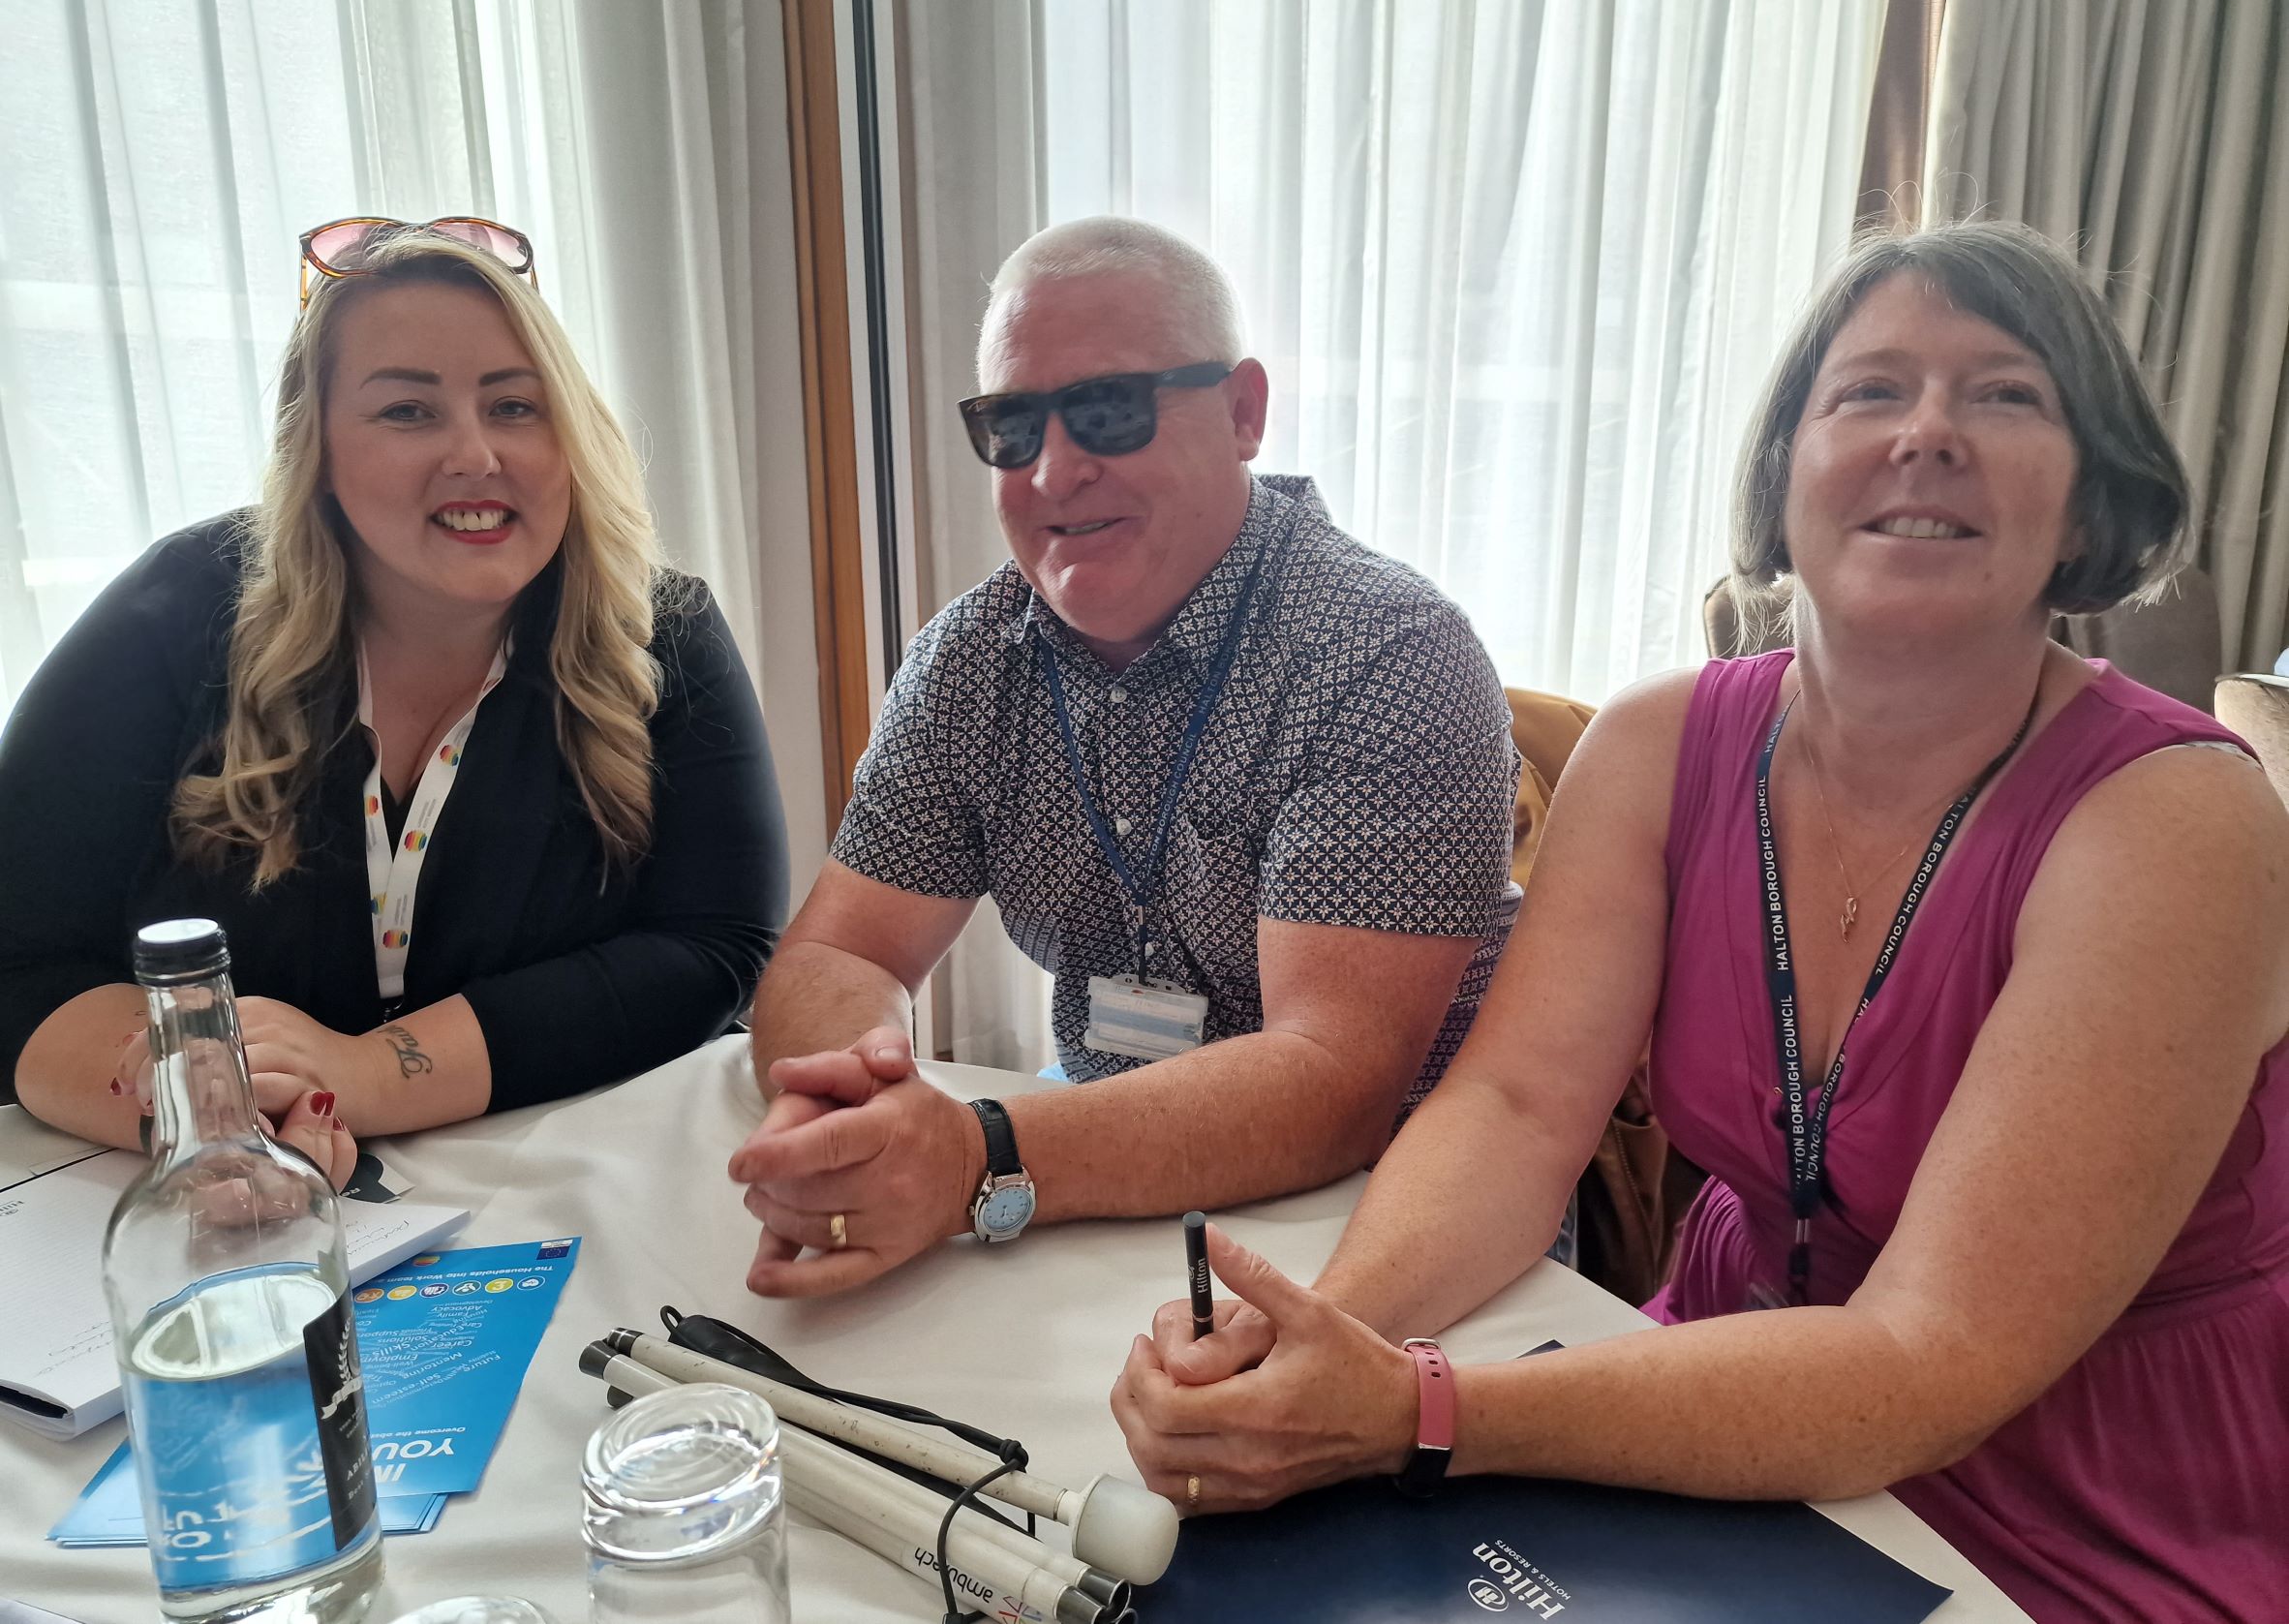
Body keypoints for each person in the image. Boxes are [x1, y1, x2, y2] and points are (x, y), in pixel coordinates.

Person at [1112, 222, 2289, 1623]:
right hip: (1715, 1394)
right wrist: (1330, 1334)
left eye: (2006, 394)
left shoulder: (2181, 825)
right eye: (1868, 391)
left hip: (2082, 1499)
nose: (1928, 433)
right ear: (1780, 476)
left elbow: (1933, 1357)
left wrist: (1417, 1408)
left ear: (2092, 504)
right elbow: (1516, 1107)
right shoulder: (1662, 738)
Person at [729, 217, 1520, 1296]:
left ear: (1244, 412)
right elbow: (837, 957)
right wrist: (853, 1109)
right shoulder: (970, 657)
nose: (1055, 471)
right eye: (1013, 428)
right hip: (1083, 1157)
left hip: (1396, 1194)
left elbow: (1333, 1083)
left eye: (1109, 410)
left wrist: (972, 1154)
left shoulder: (1384, 651)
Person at [1, 219, 788, 1184]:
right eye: (408, 412)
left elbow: (715, 948)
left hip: (583, 1186)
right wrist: (207, 1106)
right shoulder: (176, 614)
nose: (476, 455)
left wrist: (364, 1074)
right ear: (317, 449)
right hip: (226, 1203)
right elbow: (21, 960)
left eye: (516, 406)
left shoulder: (660, 630)